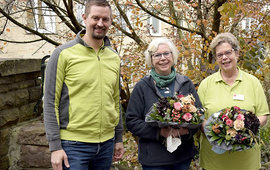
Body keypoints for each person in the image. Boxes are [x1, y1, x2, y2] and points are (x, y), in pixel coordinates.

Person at [43, 0, 124, 169]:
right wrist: (55, 146)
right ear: (85, 18)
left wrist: (118, 139)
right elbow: (50, 102)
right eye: (95, 18)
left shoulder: (114, 57)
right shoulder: (63, 54)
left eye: (105, 19)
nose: (100, 23)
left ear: (110, 21)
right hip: (73, 146)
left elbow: (115, 100)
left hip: (106, 145)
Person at [125, 37, 202, 170]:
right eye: (157, 55)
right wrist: (159, 132)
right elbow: (132, 121)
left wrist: (186, 131)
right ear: (151, 59)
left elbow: (199, 113)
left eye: (166, 53)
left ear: (173, 56)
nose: (163, 58)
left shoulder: (185, 83)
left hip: (182, 157)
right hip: (154, 160)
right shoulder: (142, 87)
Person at [198, 32, 269, 170]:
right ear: (216, 59)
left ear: (237, 53)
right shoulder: (206, 84)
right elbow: (199, 118)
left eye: (228, 52)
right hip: (214, 162)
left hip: (246, 162)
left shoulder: (253, 82)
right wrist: (218, 131)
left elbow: (263, 115)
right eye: (219, 55)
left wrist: (243, 129)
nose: (224, 58)